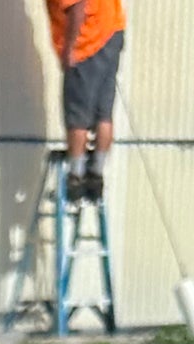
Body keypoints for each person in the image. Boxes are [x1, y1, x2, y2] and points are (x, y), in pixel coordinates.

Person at [46, 0, 124, 203]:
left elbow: (77, 6)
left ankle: (76, 177)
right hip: (111, 29)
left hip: (87, 40)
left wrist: (69, 49)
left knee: (77, 115)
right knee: (103, 112)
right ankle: (96, 174)